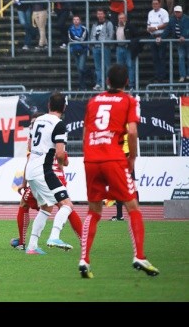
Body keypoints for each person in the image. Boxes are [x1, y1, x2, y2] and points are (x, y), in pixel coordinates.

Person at [80, 63, 160, 278]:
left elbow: (86, 131)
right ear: (127, 82)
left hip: (91, 158)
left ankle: (84, 260)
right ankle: (139, 255)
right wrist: (132, 156)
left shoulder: (94, 100)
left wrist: (88, 155)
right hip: (113, 157)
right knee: (133, 206)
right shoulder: (128, 100)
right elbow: (132, 132)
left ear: (107, 81)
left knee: (93, 211)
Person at [11, 111, 82, 251]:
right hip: (54, 175)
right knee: (60, 206)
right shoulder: (56, 135)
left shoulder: (38, 141)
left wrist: (24, 182)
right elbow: (64, 158)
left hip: (44, 175)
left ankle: (26, 242)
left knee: (31, 204)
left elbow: (30, 158)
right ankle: (82, 240)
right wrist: (60, 163)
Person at [158, 5, 189, 82]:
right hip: (179, 42)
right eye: (176, 12)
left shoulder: (186, 19)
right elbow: (167, 29)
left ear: (181, 12)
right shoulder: (172, 20)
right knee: (181, 57)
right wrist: (161, 37)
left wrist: (183, 36)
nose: (177, 13)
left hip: (187, 41)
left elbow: (187, 29)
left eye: (178, 12)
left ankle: (187, 74)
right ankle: (183, 75)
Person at [114, 12, 141, 90]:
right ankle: (121, 84)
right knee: (119, 68)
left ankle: (131, 84)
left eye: (122, 18)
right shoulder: (116, 27)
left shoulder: (130, 26)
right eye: (119, 18)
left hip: (127, 48)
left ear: (125, 19)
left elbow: (136, 35)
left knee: (130, 66)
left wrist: (131, 44)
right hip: (119, 48)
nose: (121, 20)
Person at [89, 8, 114, 90]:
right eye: (98, 14)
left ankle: (108, 83)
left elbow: (111, 35)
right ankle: (99, 83)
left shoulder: (108, 23)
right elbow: (92, 35)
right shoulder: (95, 24)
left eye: (101, 13)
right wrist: (93, 42)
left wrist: (105, 42)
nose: (99, 15)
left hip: (105, 47)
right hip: (96, 48)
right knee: (97, 67)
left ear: (104, 14)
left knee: (107, 66)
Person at [146, 0, 169, 83]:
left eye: (156, 3)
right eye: (153, 4)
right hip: (152, 36)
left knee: (161, 57)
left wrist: (155, 28)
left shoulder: (164, 12)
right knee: (155, 57)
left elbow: (166, 23)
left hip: (161, 35)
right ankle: (157, 76)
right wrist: (148, 29)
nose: (154, 5)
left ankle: (163, 76)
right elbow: (148, 24)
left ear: (159, 4)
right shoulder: (150, 13)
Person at [68, 15, 89, 90]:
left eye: (77, 19)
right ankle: (82, 85)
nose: (76, 21)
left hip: (82, 50)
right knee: (79, 69)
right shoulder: (70, 29)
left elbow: (83, 38)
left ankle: (84, 83)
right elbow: (71, 38)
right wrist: (78, 39)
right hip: (74, 50)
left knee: (81, 68)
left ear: (80, 21)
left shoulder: (84, 29)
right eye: (74, 19)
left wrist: (77, 39)